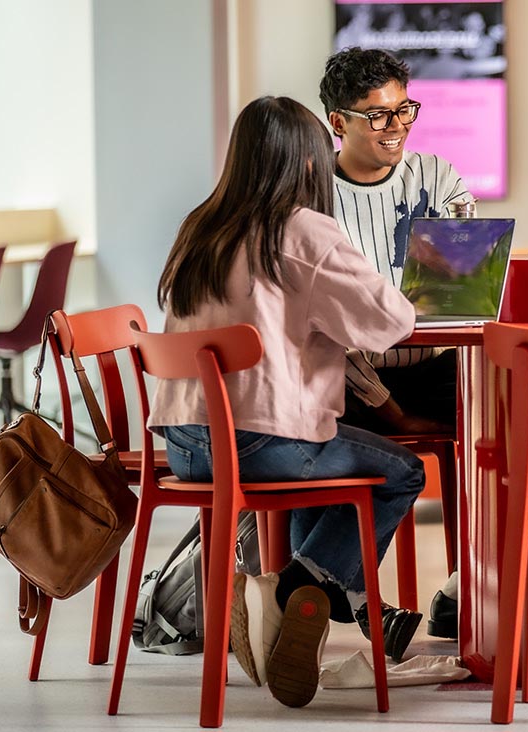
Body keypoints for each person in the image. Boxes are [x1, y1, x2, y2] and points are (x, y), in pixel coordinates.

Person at [148, 96, 426, 708]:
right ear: (306, 162)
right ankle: (290, 589)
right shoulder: (302, 229)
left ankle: (302, 593)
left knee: (323, 453)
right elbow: (392, 321)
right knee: (403, 470)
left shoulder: (200, 227)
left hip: (186, 447)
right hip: (260, 444)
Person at [319, 46, 470, 639]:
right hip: (350, 383)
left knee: (506, 417)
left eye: (405, 110)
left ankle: (470, 587)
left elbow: (462, 294)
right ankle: (329, 591)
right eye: (378, 115)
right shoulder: (311, 197)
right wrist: (387, 403)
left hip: (431, 368)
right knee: (317, 405)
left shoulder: (437, 176)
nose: (396, 128)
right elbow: (327, 331)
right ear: (339, 122)